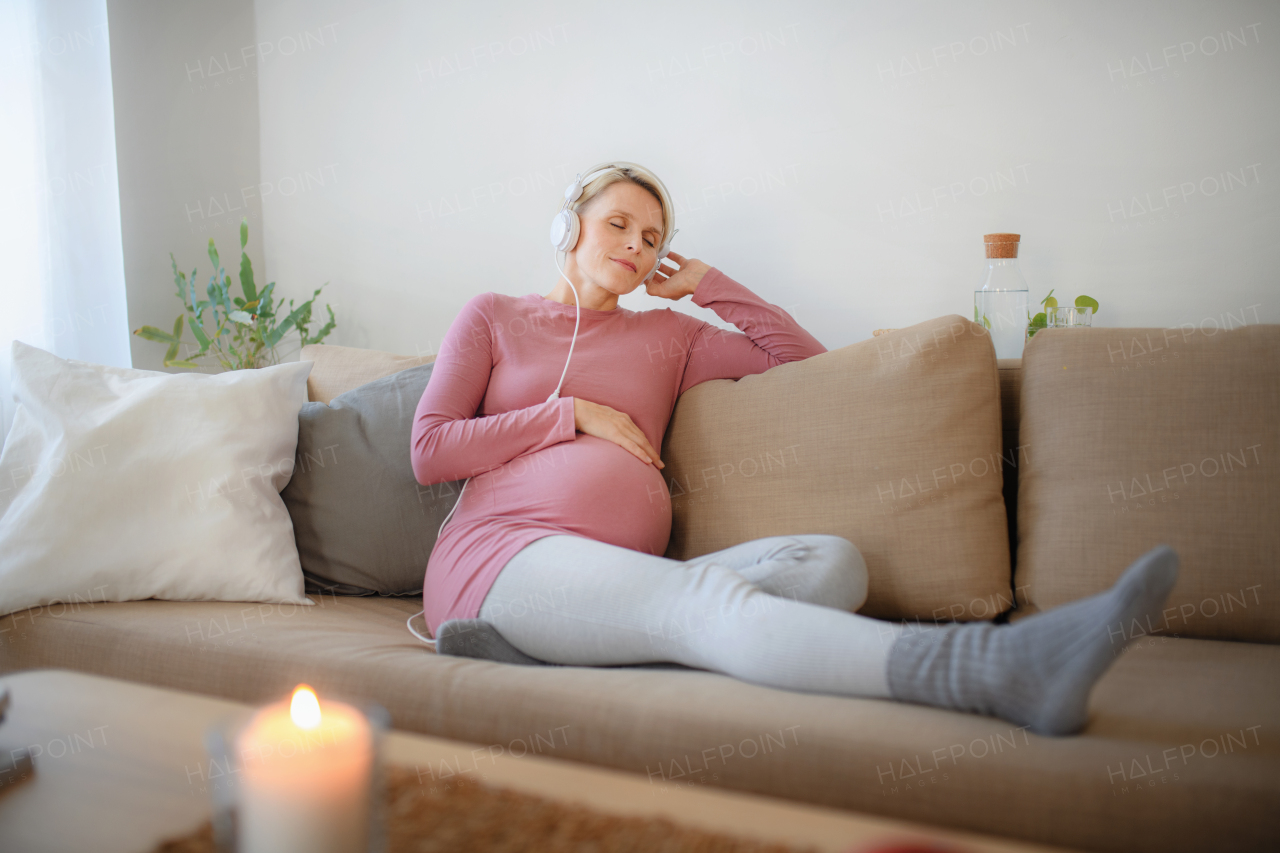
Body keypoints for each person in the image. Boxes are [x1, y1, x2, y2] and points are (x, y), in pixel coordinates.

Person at [409, 161, 1179, 737]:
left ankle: (553, 650)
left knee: (832, 561)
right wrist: (567, 413)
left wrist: (715, 285)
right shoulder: (495, 316)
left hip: (628, 575)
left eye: (653, 239)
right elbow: (431, 448)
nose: (637, 247)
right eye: (619, 224)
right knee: (705, 603)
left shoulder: (669, 336)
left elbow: (806, 364)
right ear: (567, 224)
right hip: (501, 555)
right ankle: (995, 669)